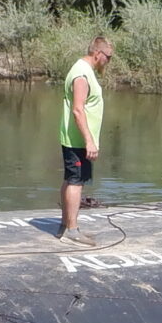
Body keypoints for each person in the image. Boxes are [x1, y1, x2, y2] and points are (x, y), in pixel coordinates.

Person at [58, 34, 112, 237]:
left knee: (71, 179)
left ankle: (66, 225)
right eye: (108, 56)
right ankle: (72, 231)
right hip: (78, 139)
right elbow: (78, 110)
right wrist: (89, 141)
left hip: (76, 138)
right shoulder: (81, 74)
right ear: (98, 53)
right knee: (76, 182)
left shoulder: (84, 70)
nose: (108, 61)